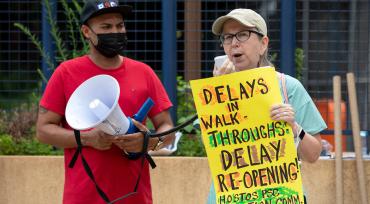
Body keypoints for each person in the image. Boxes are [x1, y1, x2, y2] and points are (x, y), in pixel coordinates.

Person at [36, 0, 174, 203]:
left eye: (120, 26)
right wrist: (87, 139)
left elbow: (168, 129)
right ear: (86, 31)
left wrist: (148, 142)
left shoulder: (144, 73)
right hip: (83, 197)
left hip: (136, 198)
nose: (116, 32)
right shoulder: (66, 73)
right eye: (106, 27)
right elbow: (43, 131)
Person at [207, 8, 327, 203]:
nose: (234, 43)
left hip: (279, 196)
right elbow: (213, 147)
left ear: (263, 44)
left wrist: (294, 127)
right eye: (227, 37)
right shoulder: (214, 92)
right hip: (230, 197)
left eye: (243, 34)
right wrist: (221, 95)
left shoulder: (288, 87)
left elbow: (313, 154)